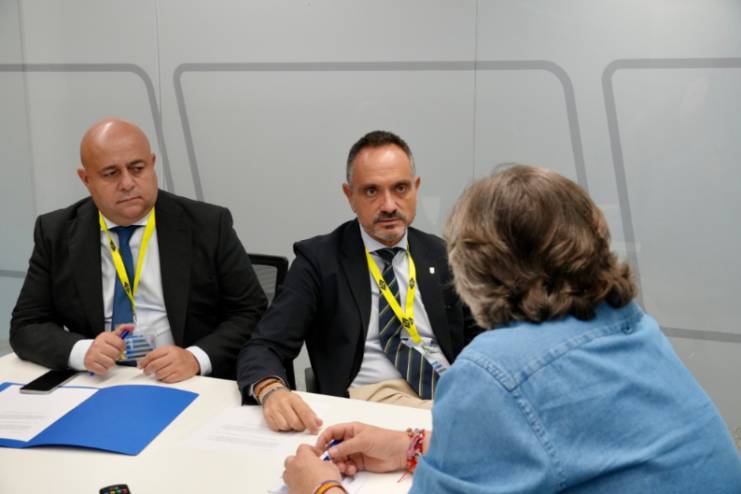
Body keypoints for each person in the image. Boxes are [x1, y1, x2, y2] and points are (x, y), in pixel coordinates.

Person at [281, 165, 741, 493]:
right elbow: (563, 446)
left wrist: (320, 489)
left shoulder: (494, 370)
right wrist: (410, 446)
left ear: (474, 266)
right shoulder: (634, 328)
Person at [237, 130, 480, 433]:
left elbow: (480, 336)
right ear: (349, 195)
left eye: (400, 188)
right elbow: (264, 346)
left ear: (416, 188)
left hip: (450, 391)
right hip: (373, 403)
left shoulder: (441, 253)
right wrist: (272, 390)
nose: (389, 205)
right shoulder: (319, 260)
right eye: (371, 191)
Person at [10, 117, 267, 382]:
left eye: (137, 168)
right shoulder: (56, 232)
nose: (127, 183)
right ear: (86, 179)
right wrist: (82, 351)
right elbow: (27, 325)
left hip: (187, 381)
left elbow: (251, 312)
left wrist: (195, 358)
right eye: (111, 173)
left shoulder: (208, 225)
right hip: (100, 381)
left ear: (152, 164)